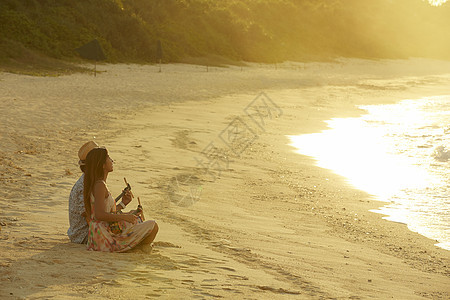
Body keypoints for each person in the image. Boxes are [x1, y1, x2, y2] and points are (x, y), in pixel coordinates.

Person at [84, 147, 158, 252]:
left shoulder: (100, 184)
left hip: (105, 231)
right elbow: (99, 215)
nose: (112, 160)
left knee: (136, 217)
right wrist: (124, 217)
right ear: (102, 165)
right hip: (104, 237)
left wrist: (124, 205)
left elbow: (107, 212)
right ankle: (138, 247)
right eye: (108, 158)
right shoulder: (99, 185)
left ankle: (136, 244)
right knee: (153, 226)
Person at [67, 141, 131, 244]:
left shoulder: (92, 180)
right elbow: (93, 217)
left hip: (91, 229)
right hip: (83, 235)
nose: (112, 160)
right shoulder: (85, 185)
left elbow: (100, 211)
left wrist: (122, 205)